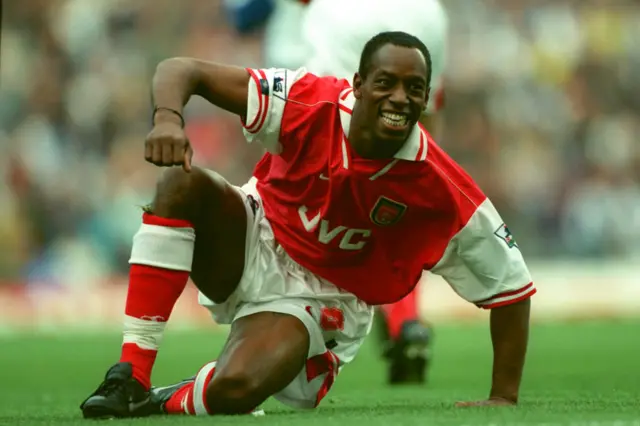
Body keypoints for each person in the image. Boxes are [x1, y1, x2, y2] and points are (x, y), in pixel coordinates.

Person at [80, 31, 535, 419]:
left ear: (426, 96)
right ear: (358, 84)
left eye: (414, 88)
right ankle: (131, 374)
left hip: (323, 295)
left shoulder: (439, 185)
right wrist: (167, 120)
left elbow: (511, 285)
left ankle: (161, 401)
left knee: (235, 390)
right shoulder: (308, 100)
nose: (400, 97)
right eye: (386, 83)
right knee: (179, 184)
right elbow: (182, 69)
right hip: (257, 234)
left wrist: (503, 397)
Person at [263, 0, 449, 383]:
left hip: (344, 15)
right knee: (407, 170)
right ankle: (406, 320)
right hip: (424, 13)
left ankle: (300, 318)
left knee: (324, 159)